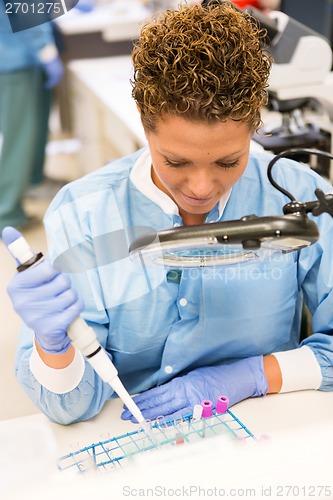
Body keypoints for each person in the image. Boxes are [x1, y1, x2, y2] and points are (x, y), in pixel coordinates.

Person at [5, 2, 333, 425]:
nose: (200, 188)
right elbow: (71, 406)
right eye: (176, 162)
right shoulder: (85, 211)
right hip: (132, 433)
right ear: (144, 122)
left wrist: (251, 376)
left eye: (227, 162)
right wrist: (54, 348)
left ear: (255, 125)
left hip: (265, 426)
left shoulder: (298, 194)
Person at [0, 3, 64, 232]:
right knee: (19, 137)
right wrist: (47, 51)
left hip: (17, 53)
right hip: (16, 58)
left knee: (31, 130)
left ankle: (33, 180)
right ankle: (5, 213)